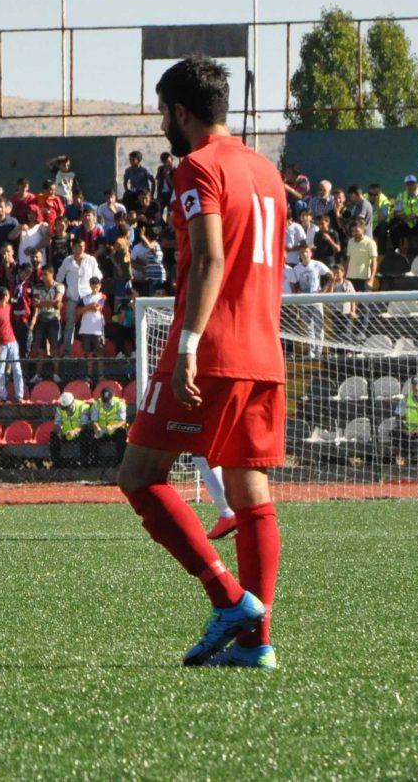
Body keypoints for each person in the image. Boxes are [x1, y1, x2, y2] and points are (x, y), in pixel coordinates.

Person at [120, 55, 286, 671]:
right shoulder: (266, 171)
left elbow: (212, 259)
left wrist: (187, 344)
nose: (163, 122)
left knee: (140, 476)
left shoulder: (195, 167)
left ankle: (227, 598)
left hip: (210, 348)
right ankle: (256, 645)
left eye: (163, 112)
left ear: (181, 113)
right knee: (250, 493)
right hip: (263, 350)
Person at [387, 174, 418, 258]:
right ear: (405, 186)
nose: (410, 186)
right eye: (408, 184)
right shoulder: (401, 196)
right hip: (407, 223)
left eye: (412, 184)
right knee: (394, 222)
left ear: (417, 184)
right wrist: (402, 216)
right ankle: (395, 249)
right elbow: (396, 211)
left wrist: (415, 215)